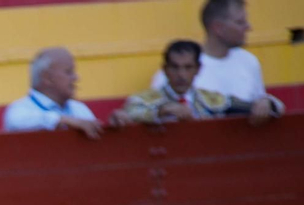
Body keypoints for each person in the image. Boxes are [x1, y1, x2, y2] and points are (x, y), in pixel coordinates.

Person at [149, 0, 277, 126]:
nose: (248, 27)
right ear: (218, 28)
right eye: (240, 22)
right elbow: (154, 117)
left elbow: (259, 105)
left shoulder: (249, 61)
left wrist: (266, 102)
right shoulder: (175, 71)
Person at [115, 39, 283, 125]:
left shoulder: (212, 99)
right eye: (175, 67)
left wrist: (267, 102)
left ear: (198, 69)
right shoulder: (144, 100)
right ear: (165, 69)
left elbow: (268, 107)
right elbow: (128, 113)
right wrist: (159, 112)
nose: (181, 74)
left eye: (188, 67)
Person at [2, 47, 102, 139]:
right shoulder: (19, 109)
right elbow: (16, 121)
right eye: (69, 72)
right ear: (47, 78)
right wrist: (62, 120)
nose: (76, 78)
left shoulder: (79, 108)